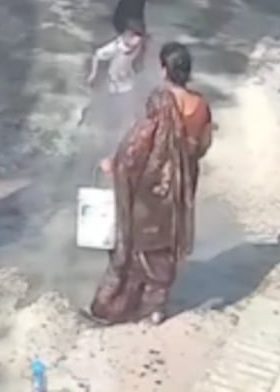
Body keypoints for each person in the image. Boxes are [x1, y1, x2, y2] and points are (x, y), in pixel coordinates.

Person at [83, 42, 214, 325]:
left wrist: (115, 163)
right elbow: (202, 145)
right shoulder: (201, 106)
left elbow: (139, 143)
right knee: (166, 245)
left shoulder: (160, 100)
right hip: (180, 187)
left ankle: (117, 307)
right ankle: (155, 309)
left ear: (164, 69)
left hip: (151, 188)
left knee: (136, 246)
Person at [86, 18, 147, 95]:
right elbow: (96, 56)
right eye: (133, 35)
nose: (135, 39)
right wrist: (93, 74)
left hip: (126, 82)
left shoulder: (140, 46)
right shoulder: (116, 46)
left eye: (138, 36)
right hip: (116, 83)